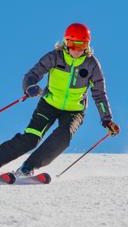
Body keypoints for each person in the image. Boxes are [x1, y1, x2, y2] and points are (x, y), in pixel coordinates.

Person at [0, 23, 120, 176]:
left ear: (87, 46)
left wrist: (107, 120)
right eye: (72, 44)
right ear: (65, 42)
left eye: (81, 45)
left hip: (74, 111)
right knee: (31, 138)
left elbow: (99, 94)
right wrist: (30, 86)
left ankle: (28, 168)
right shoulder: (54, 57)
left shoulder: (91, 65)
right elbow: (32, 75)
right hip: (49, 105)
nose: (76, 50)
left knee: (63, 136)